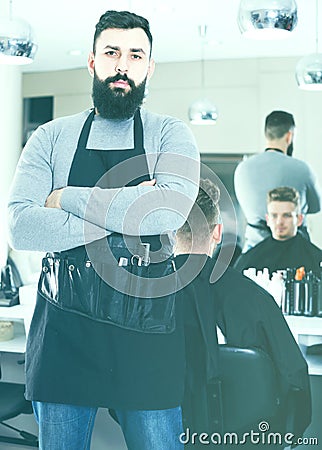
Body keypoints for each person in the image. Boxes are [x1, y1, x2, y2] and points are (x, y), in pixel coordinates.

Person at [7, 10, 200, 450]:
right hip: (64, 335)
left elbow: (163, 216)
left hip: (148, 336)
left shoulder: (171, 134)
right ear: (92, 61)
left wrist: (65, 197)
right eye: (111, 52)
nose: (122, 65)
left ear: (149, 67)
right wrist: (130, 213)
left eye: (136, 55)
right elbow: (22, 227)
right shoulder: (50, 138)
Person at [175, 179, 311, 448]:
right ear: (217, 233)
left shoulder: (142, 299)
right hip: (251, 436)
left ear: (169, 232)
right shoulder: (254, 298)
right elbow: (296, 381)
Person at [234, 110, 321, 251]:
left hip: (254, 251)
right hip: (295, 252)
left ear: (267, 134)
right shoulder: (302, 169)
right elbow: (317, 206)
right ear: (289, 136)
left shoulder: (242, 169)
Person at [234, 186, 322, 275]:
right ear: (267, 219)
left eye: (286, 215)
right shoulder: (248, 260)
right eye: (274, 216)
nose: (280, 222)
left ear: (299, 219)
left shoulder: (317, 259)